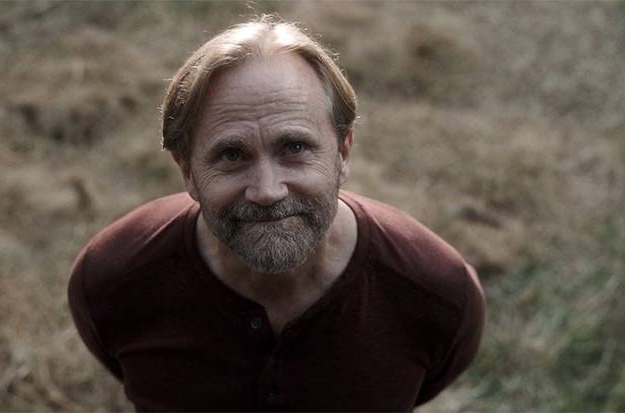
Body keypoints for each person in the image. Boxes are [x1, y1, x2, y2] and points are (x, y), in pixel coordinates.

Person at [68, 16, 485, 412]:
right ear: (188, 171)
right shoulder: (113, 279)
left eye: (295, 148)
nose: (267, 191)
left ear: (343, 151)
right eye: (232, 154)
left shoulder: (436, 292)